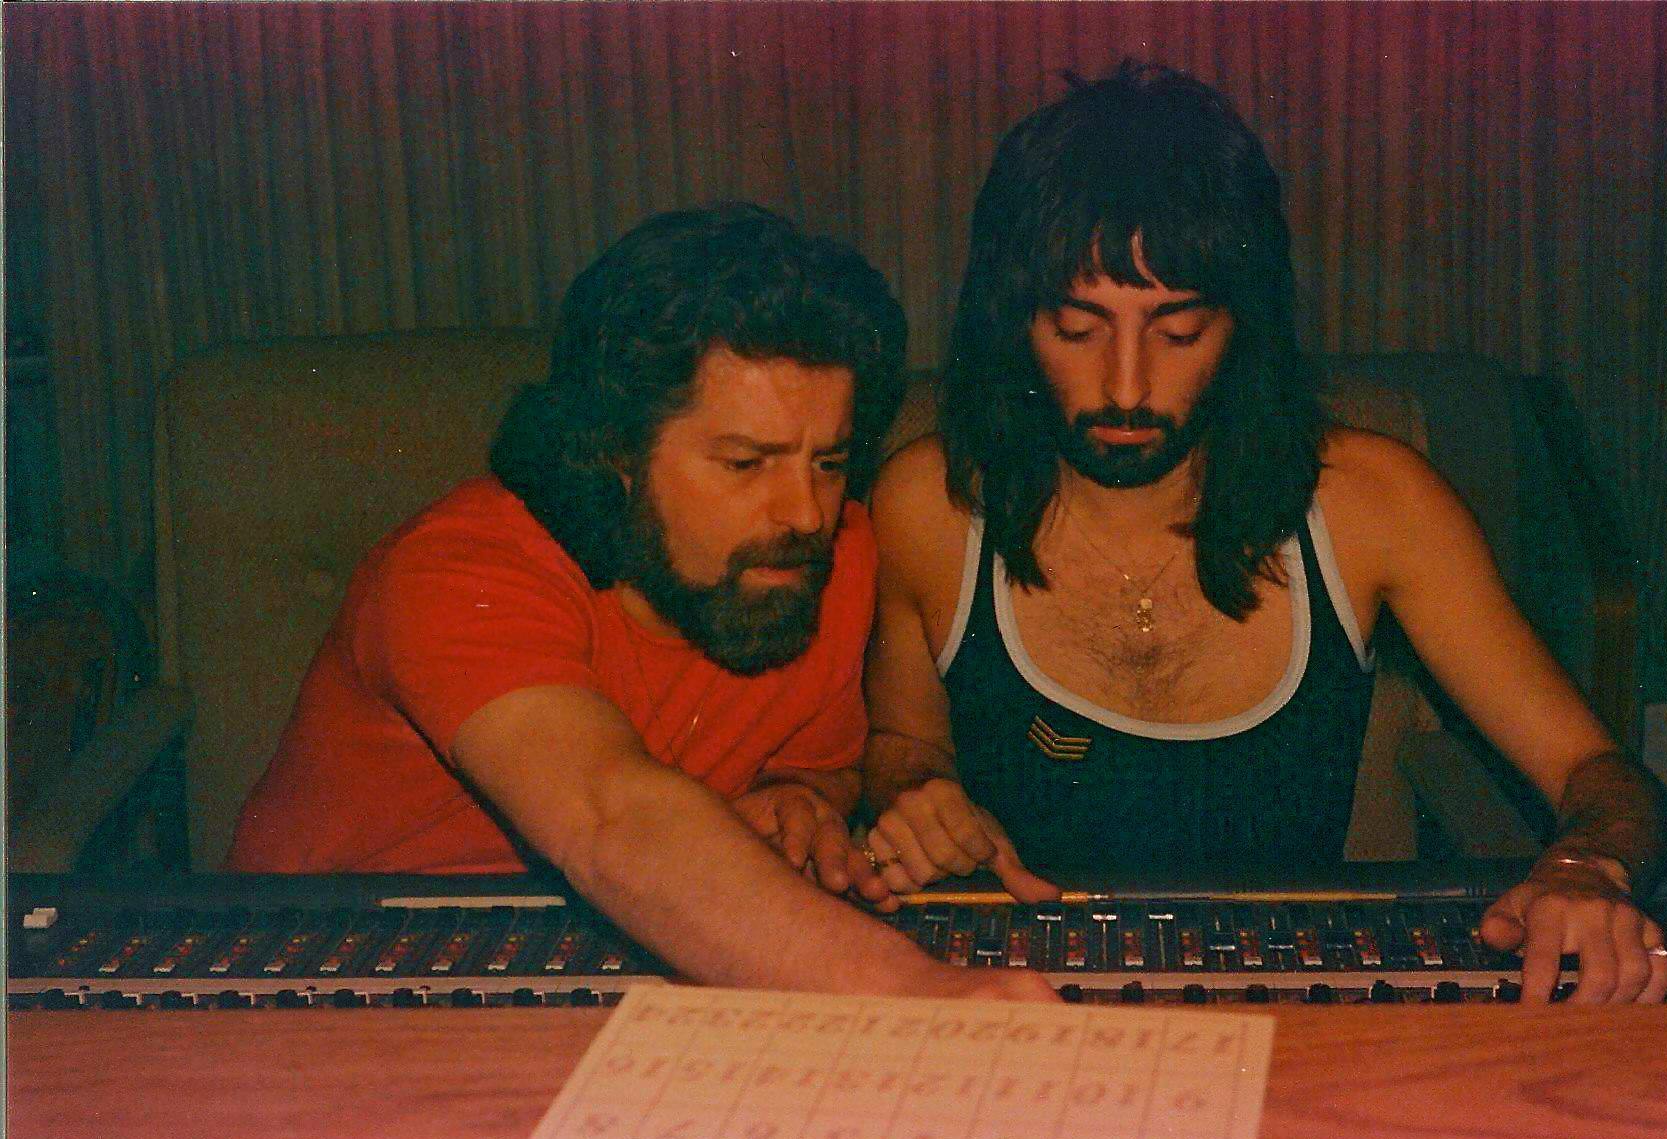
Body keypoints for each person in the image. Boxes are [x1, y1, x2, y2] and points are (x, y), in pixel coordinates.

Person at [860, 64, 1667, 1005]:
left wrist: (1585, 867)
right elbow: (900, 742)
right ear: (1014, 326)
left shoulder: (1374, 505)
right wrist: (915, 797)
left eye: (1178, 331)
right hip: (1015, 1002)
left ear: (1240, 328)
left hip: (1288, 1004)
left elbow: (1600, 775)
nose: (1125, 386)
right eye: (1077, 329)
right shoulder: (928, 503)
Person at [228, 204, 1053, 1002]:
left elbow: (818, 762)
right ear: (616, 453)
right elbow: (608, 815)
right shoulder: (459, 569)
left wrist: (798, 799)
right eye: (745, 463)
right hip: (310, 975)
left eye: (828, 462)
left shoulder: (821, 561)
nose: (806, 513)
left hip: (633, 970)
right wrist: (916, 989)